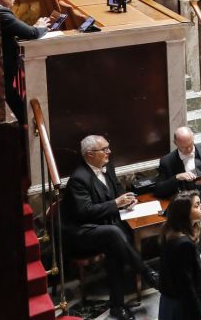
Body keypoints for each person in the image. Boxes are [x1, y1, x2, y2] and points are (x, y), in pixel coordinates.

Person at [62, 135, 159, 320]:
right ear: (89, 154)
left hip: (105, 230)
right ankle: (147, 273)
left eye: (108, 147)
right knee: (114, 233)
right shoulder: (78, 179)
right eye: (104, 149)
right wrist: (116, 203)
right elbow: (85, 212)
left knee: (114, 246)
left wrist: (127, 200)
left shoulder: (109, 167)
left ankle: (117, 307)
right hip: (82, 233)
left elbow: (117, 190)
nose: (109, 152)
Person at [155, 127, 201, 247]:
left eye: (191, 144)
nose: (189, 149)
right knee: (200, 214)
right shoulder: (166, 161)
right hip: (188, 202)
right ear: (175, 143)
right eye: (184, 147)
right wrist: (177, 177)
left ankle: (195, 247)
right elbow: (159, 190)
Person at [0, 0, 47, 122]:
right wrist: (41, 27)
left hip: (0, 68)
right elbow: (33, 34)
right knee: (18, 108)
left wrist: (34, 28)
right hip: (2, 68)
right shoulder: (2, 13)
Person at [157, 195, 201, 320]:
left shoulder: (169, 231)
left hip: (170, 300)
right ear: (184, 213)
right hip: (182, 305)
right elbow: (187, 285)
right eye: (196, 205)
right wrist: (198, 314)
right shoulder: (184, 244)